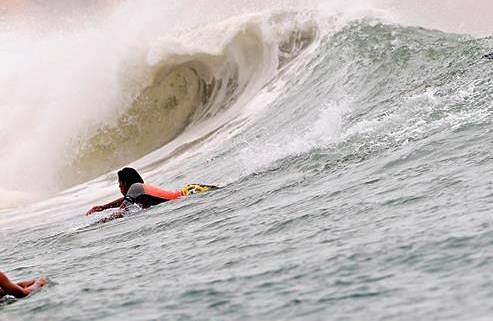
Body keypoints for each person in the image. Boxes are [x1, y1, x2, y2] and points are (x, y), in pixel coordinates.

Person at [86, 167, 218, 222]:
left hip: (190, 193)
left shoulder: (135, 188)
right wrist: (103, 207)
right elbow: (125, 200)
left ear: (125, 183)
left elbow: (123, 210)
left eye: (120, 185)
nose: (119, 188)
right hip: (188, 192)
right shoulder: (137, 190)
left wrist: (100, 222)